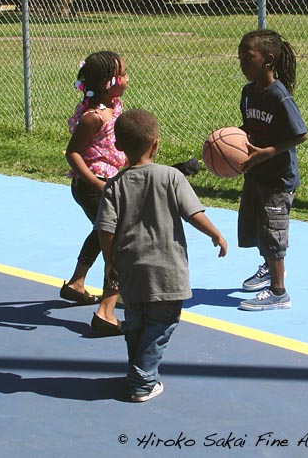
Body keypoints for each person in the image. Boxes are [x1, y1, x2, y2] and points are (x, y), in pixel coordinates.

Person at [95, 109, 227, 402]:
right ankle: (142, 379)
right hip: (167, 272)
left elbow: (105, 229)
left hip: (131, 271)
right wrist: (216, 234)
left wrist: (109, 260)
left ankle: (138, 369)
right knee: (161, 325)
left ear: (117, 145)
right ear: (156, 143)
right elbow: (193, 213)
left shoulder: (114, 185)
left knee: (136, 323)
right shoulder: (171, 176)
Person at [236, 29, 308, 311]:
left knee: (273, 233)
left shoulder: (279, 96)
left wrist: (267, 151)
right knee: (257, 228)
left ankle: (279, 292)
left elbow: (299, 133)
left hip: (278, 178)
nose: (242, 62)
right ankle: (268, 267)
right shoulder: (248, 93)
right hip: (256, 174)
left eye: (247, 57)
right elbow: (249, 127)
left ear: (268, 59)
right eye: (239, 57)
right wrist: (229, 140)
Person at [61, 51, 128, 336]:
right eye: (123, 74)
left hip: (110, 185)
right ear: (107, 82)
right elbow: (72, 153)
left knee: (102, 233)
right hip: (92, 186)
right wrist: (97, 184)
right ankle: (106, 313)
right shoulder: (93, 116)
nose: (127, 78)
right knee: (118, 241)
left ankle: (77, 283)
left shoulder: (114, 107)